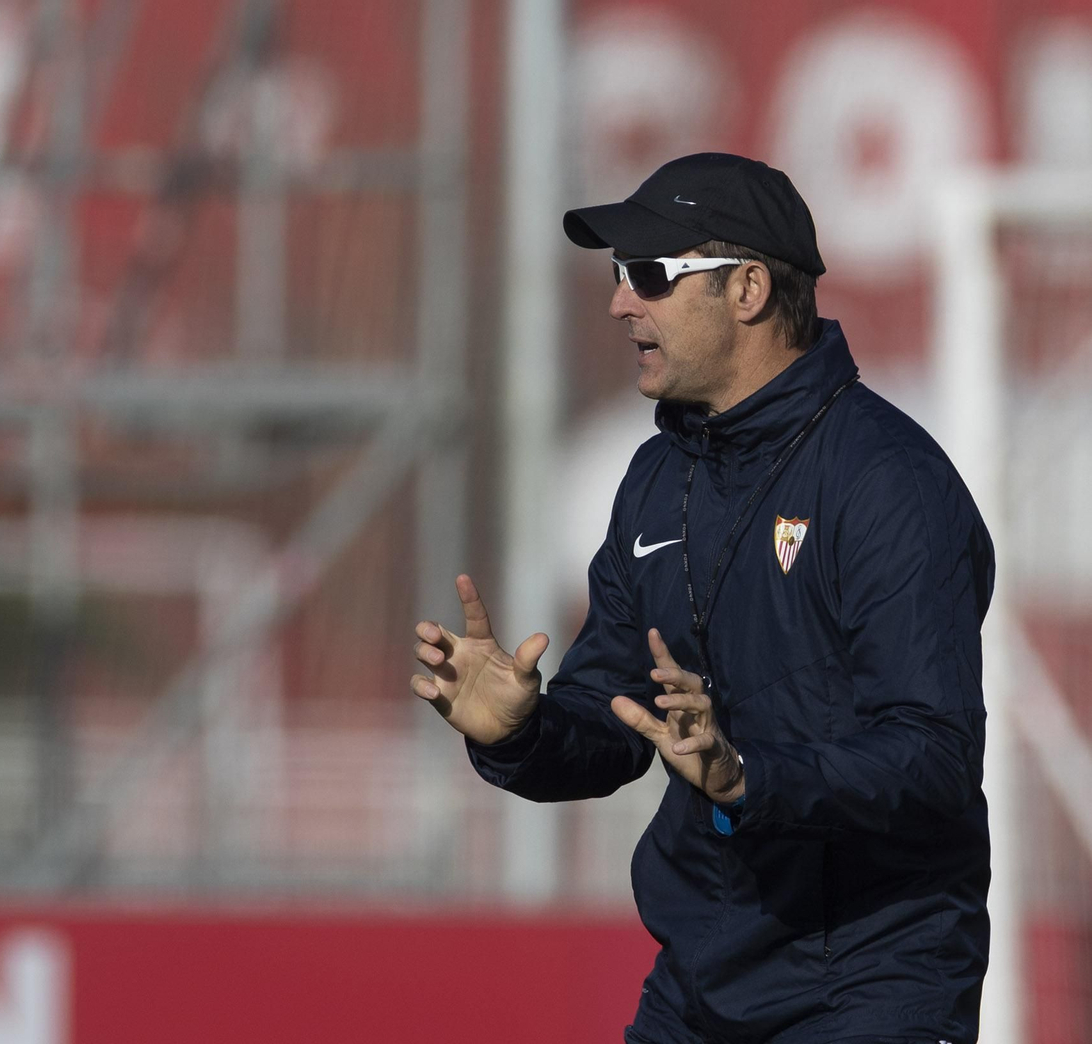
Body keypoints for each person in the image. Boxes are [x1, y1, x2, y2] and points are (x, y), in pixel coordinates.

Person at [411, 153, 993, 1044]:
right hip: (701, 983)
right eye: (617, 274)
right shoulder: (657, 477)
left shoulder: (889, 482)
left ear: (748, 289)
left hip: (872, 984)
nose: (620, 303)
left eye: (649, 274)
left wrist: (749, 777)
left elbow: (934, 756)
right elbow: (617, 720)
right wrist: (522, 734)